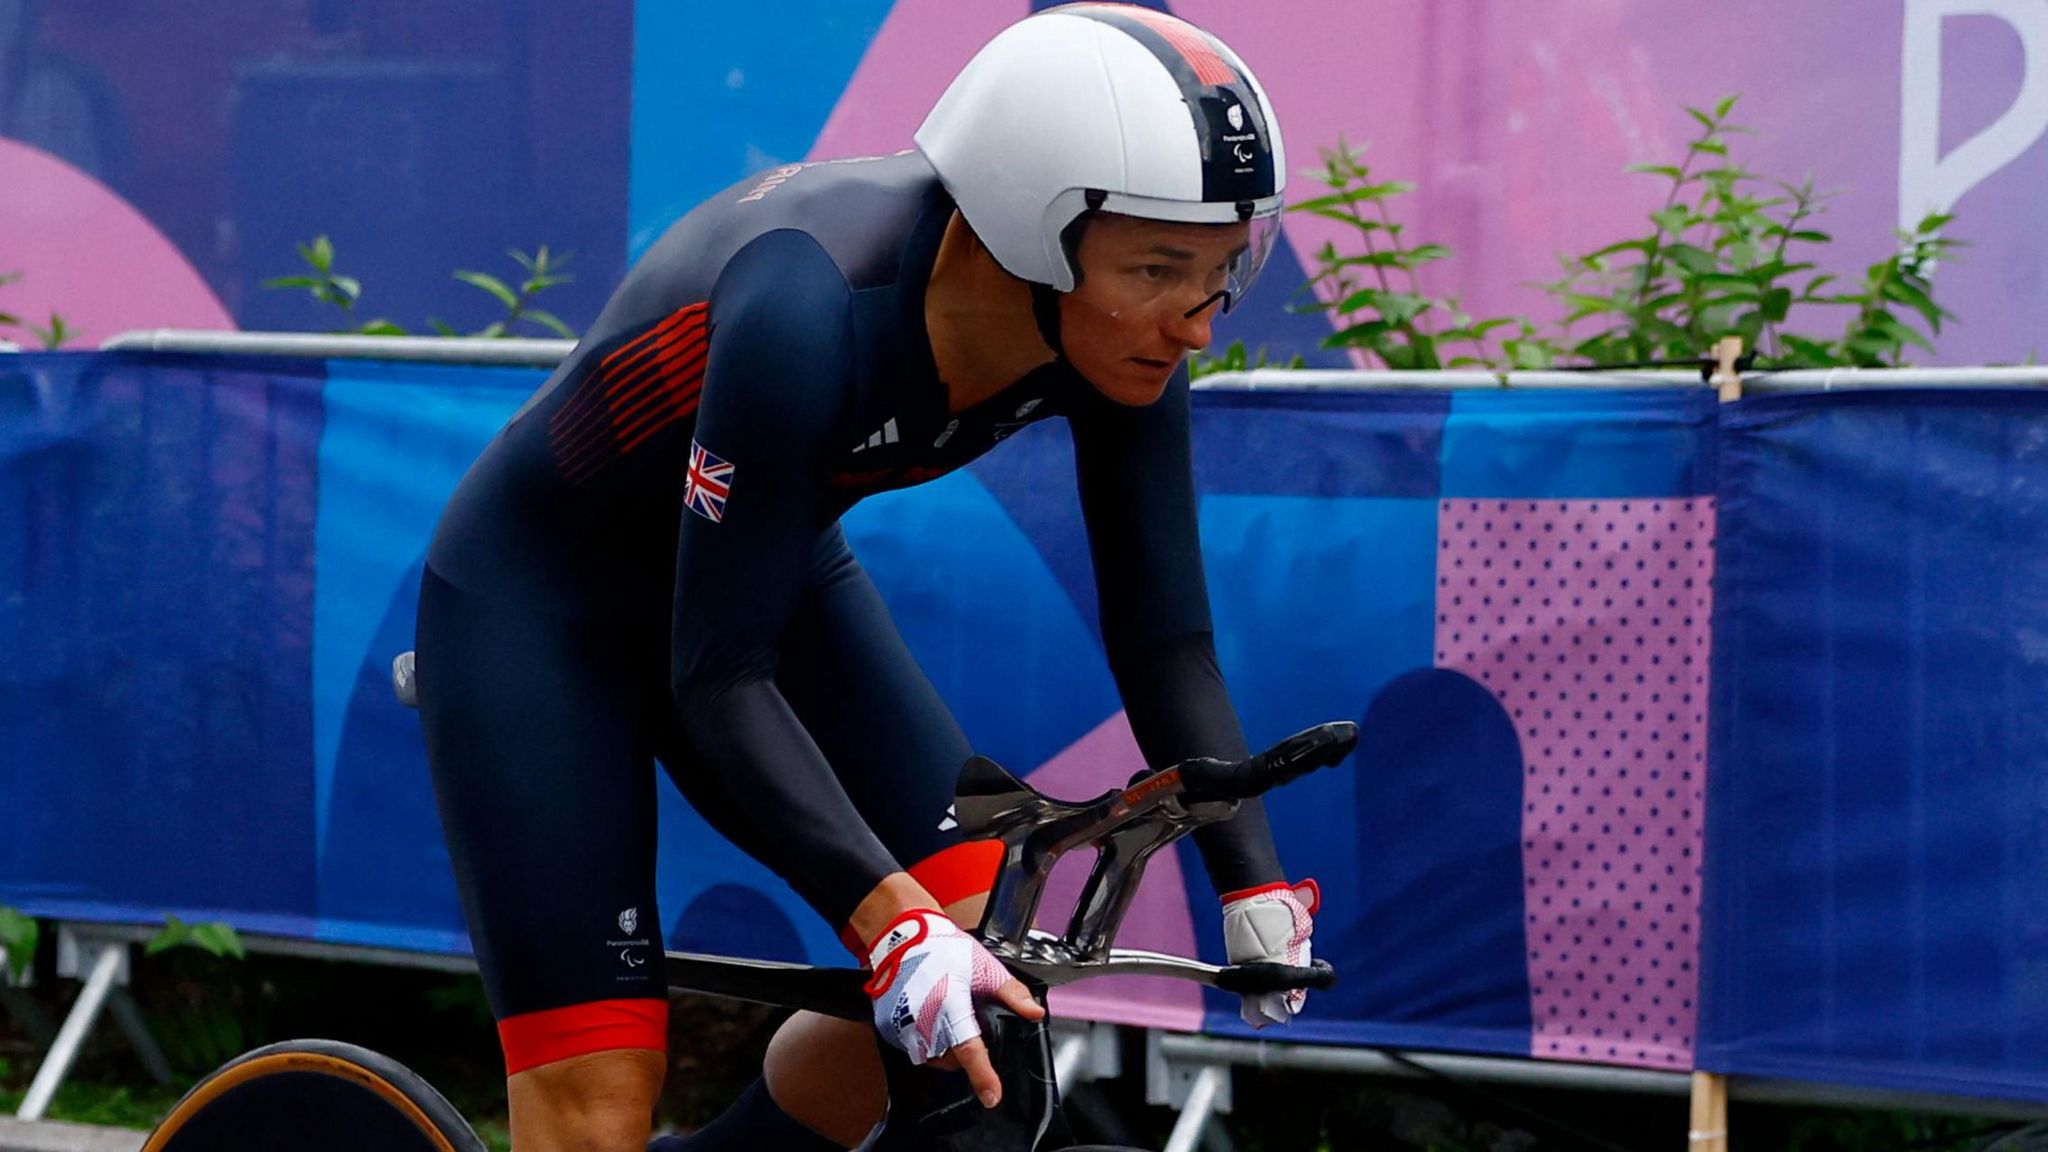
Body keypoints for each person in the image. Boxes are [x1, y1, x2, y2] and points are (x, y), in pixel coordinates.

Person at [413, 6, 1321, 1151]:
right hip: (540, 612)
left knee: (990, 959)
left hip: (758, 575)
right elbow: (718, 677)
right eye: (1156, 268)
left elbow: (1164, 642)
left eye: (1220, 270)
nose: (1193, 322)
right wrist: (891, 923)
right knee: (596, 1101)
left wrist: (1253, 885)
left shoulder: (1122, 332)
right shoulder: (810, 305)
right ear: (1026, 232)